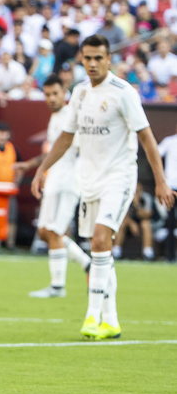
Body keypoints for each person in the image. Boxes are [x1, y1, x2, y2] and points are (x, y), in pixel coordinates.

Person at [33, 35, 177, 340]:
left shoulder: (124, 93)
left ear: (109, 59)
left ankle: (92, 316)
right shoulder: (80, 93)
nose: (94, 64)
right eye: (88, 58)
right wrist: (43, 168)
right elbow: (66, 137)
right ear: (81, 60)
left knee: (99, 240)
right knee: (100, 248)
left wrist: (161, 180)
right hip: (89, 180)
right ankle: (111, 320)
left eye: (99, 58)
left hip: (119, 177)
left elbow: (147, 139)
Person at [14, 75, 91, 297]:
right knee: (45, 232)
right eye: (47, 94)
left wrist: (32, 165)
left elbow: (66, 149)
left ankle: (58, 286)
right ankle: (87, 264)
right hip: (55, 178)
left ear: (64, 92)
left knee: (54, 231)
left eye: (55, 93)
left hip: (66, 180)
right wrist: (31, 165)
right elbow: (52, 151)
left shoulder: (69, 117)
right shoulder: (56, 118)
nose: (51, 98)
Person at [112, 183, 157, 261]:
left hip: (143, 224)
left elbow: (146, 215)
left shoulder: (146, 197)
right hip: (129, 224)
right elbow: (122, 214)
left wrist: (137, 203)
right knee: (122, 223)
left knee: (145, 224)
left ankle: (148, 253)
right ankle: (116, 252)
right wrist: (131, 224)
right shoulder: (126, 196)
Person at [158, 123, 177, 262]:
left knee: (170, 223)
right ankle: (169, 255)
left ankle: (170, 255)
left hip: (169, 186)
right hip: (170, 187)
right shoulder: (169, 142)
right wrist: (162, 178)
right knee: (170, 223)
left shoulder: (169, 141)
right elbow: (155, 154)